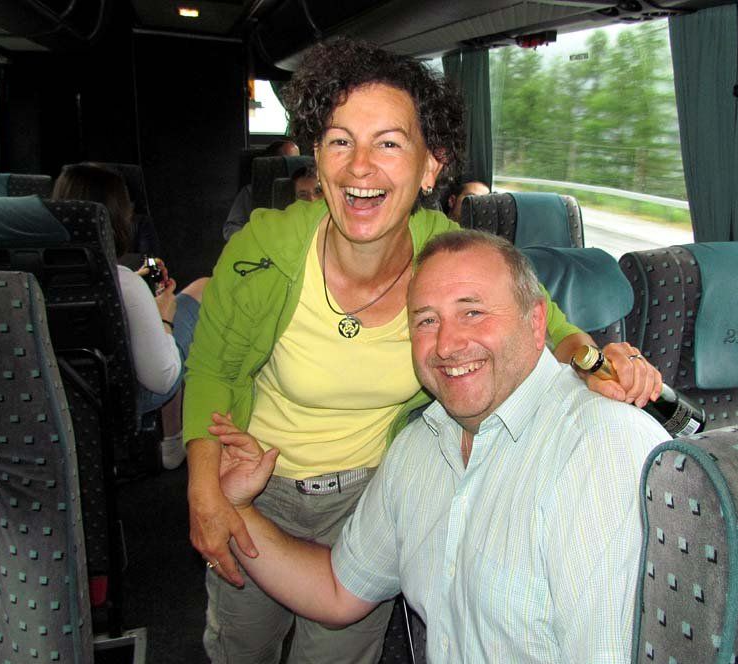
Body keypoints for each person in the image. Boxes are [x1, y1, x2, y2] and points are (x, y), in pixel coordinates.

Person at [183, 37, 661, 664]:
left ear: (430, 167)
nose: (360, 167)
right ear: (317, 160)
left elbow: (547, 318)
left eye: (388, 143)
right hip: (255, 474)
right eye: (340, 141)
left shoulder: (444, 254)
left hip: (369, 489)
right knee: (241, 645)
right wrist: (206, 491)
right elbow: (212, 369)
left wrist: (598, 365)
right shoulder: (263, 249)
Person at [209, 230, 669, 663]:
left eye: (473, 313)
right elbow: (337, 591)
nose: (447, 345)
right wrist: (238, 507)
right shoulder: (419, 449)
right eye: (427, 321)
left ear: (536, 323)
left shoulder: (602, 448)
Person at [52, 162, 209, 469]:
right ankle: (175, 440)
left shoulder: (27, 275)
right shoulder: (124, 283)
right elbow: (162, 378)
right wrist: (164, 317)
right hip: (123, 400)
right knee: (203, 288)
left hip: (57, 397)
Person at [223, 139, 301, 240]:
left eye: (297, 161)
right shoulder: (250, 192)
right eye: (289, 161)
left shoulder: (307, 191)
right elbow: (230, 228)